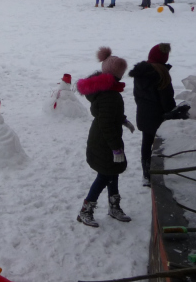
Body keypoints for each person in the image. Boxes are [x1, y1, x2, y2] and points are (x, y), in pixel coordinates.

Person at [76, 47, 133, 228]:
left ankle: (114, 206)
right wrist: (116, 147)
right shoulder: (109, 94)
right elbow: (106, 123)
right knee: (105, 175)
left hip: (104, 138)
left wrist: (123, 120)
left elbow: (109, 115)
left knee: (112, 171)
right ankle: (86, 210)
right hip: (104, 141)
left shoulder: (107, 90)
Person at [129, 43, 189, 187]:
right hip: (159, 118)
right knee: (160, 146)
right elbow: (167, 101)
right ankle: (157, 173)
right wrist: (175, 113)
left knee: (146, 143)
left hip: (143, 115)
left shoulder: (140, 73)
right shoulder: (162, 74)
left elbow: (137, 96)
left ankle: (146, 175)